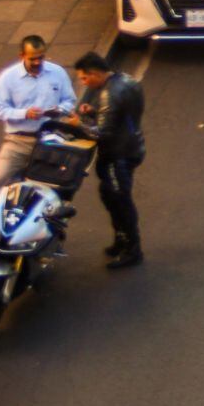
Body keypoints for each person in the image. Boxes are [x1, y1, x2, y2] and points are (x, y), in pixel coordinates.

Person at [74, 51, 145, 269]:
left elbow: (101, 133)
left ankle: (132, 248)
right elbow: (121, 117)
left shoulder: (109, 95)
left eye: (84, 78)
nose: (84, 83)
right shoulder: (127, 80)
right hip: (131, 146)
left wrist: (78, 124)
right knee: (109, 195)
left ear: (95, 74)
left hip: (117, 154)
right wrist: (96, 112)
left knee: (119, 200)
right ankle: (122, 238)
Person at [0, 35, 77, 192]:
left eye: (41, 57)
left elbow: (69, 100)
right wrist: (24, 113)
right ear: (22, 56)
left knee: (52, 187)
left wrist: (59, 110)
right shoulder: (8, 78)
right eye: (33, 59)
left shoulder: (57, 73)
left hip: (48, 139)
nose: (37, 62)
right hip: (17, 141)